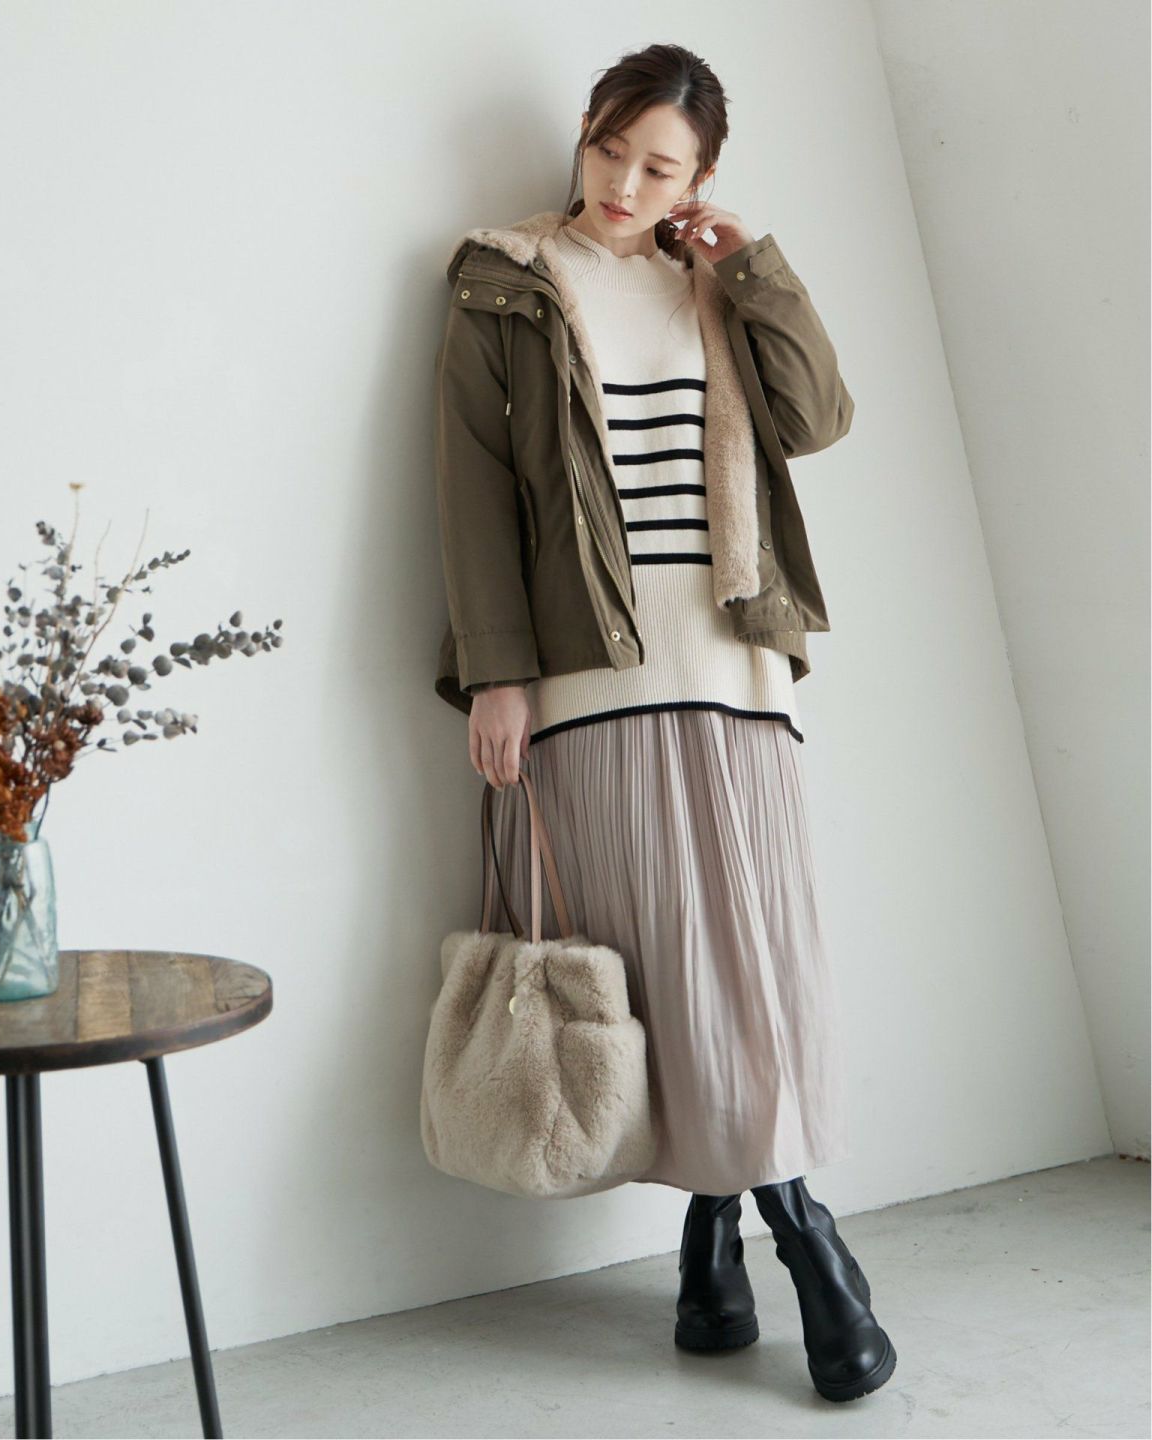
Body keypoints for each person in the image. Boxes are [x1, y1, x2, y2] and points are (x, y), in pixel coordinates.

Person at [431, 42, 896, 1404]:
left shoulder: (713, 282)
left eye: (661, 166)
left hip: (739, 666)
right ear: (584, 131)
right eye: (611, 150)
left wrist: (754, 268)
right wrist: (498, 674)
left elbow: (819, 417)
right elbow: (471, 493)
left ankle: (713, 1251)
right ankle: (806, 1244)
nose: (626, 183)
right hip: (593, 677)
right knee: (670, 972)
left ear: (701, 178)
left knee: (754, 968)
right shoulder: (506, 281)